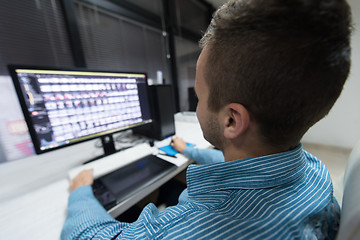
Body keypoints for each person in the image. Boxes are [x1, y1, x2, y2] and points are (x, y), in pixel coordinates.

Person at [61, 0, 352, 239]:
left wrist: (81, 192)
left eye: (198, 97)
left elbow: (89, 236)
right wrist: (190, 150)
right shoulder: (316, 172)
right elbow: (250, 170)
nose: (197, 107)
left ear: (231, 121)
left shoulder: (195, 229)